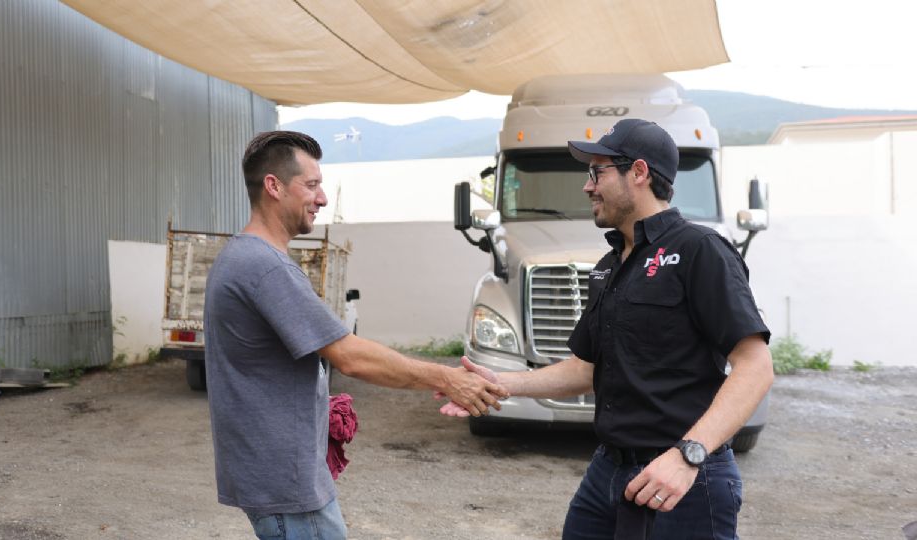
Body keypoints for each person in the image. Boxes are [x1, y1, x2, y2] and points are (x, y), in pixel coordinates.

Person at [440, 118, 774, 539]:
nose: (587, 186)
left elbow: (755, 367)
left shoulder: (699, 250)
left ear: (638, 172)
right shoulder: (610, 266)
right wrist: (499, 382)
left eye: (598, 172)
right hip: (608, 471)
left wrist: (687, 456)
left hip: (681, 478)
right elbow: (584, 370)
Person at [204, 130, 508, 540]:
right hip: (286, 485)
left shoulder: (242, 257)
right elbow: (351, 356)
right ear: (274, 187)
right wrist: (448, 378)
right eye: (311, 185)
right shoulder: (265, 268)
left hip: (273, 476)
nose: (323, 198)